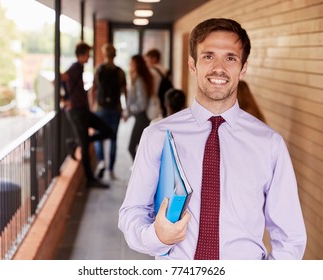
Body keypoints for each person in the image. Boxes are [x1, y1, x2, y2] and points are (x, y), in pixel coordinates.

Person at [118, 18, 306, 259]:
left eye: (230, 57)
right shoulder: (157, 135)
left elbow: (290, 238)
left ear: (243, 67)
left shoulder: (269, 144)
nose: (219, 68)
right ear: (192, 65)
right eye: (208, 56)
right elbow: (131, 212)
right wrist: (156, 236)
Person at [61, 41, 113, 189]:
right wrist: (65, 100)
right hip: (76, 112)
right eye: (88, 54)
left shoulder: (79, 67)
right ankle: (90, 180)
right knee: (85, 145)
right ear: (82, 54)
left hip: (82, 111)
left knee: (107, 131)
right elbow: (57, 80)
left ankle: (75, 143)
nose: (89, 57)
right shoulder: (74, 67)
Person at [91, 43, 127, 180]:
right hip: (115, 109)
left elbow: (93, 89)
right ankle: (110, 170)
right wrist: (124, 108)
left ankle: (101, 160)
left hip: (100, 108)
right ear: (115, 55)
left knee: (98, 137)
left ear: (104, 55)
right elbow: (125, 91)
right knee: (113, 138)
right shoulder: (120, 71)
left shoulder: (98, 69)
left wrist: (93, 105)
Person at [126, 54, 154, 162]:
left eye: (131, 63)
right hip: (141, 117)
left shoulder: (139, 80)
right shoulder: (137, 78)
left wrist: (130, 110)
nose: (129, 65)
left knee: (132, 147)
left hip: (142, 117)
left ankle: (140, 172)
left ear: (136, 65)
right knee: (139, 147)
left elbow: (142, 104)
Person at [145, 49, 171, 118]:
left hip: (156, 101)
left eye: (148, 60)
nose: (147, 63)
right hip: (164, 100)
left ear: (154, 59)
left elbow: (153, 89)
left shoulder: (152, 71)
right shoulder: (164, 69)